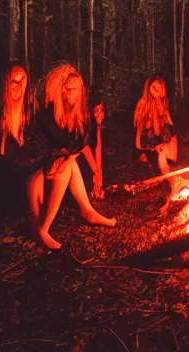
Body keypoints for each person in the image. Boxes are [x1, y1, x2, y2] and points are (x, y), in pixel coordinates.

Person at [30, 63, 116, 249]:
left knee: (69, 162)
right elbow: (63, 147)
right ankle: (43, 228)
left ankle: (88, 211)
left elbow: (83, 147)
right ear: (60, 90)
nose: (71, 93)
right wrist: (72, 156)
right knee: (67, 161)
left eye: (75, 89)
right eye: (67, 89)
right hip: (37, 169)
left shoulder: (78, 115)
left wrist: (96, 173)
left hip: (63, 168)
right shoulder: (47, 114)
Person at [0, 61, 44, 216]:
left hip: (21, 164)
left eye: (22, 80)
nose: (18, 85)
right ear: (5, 82)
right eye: (14, 80)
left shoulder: (28, 110)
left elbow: (35, 139)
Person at [133, 76, 178, 174]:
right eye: (155, 88)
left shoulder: (163, 106)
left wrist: (160, 106)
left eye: (160, 87)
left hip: (161, 146)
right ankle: (169, 178)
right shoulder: (142, 105)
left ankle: (170, 175)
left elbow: (171, 131)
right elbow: (145, 136)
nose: (158, 90)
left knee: (164, 150)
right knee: (161, 154)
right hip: (146, 147)